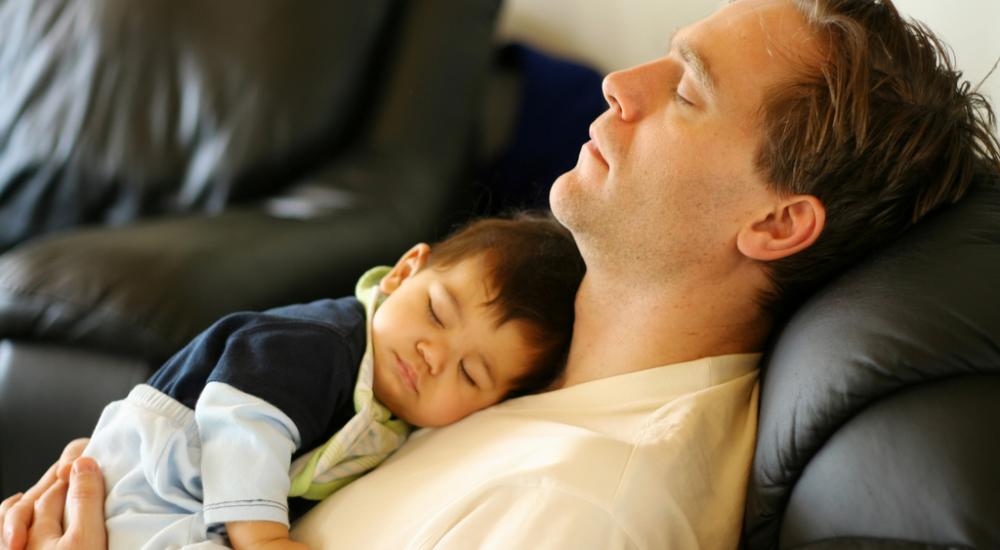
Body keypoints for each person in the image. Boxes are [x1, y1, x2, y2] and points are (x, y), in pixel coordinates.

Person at [4, 0, 1000, 548]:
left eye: (689, 90)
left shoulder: (585, 511)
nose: (620, 85)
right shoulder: (524, 371)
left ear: (776, 223)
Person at [3, 214, 585, 550]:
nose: (433, 355)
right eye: (436, 311)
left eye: (470, 372)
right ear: (404, 271)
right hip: (153, 473)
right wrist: (263, 538)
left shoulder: (395, 414)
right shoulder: (322, 341)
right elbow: (243, 423)